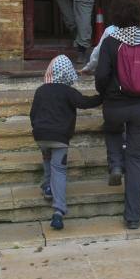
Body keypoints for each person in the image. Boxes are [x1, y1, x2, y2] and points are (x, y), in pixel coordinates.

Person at [95, 0, 140, 229]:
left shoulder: (110, 43)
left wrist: (104, 94)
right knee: (137, 160)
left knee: (112, 130)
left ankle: (115, 163)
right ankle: (133, 217)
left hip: (115, 105)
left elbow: (101, 76)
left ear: (115, 16)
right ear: (137, 16)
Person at [30, 55, 102, 230]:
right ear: (68, 73)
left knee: (47, 160)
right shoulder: (68, 92)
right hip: (60, 138)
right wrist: (103, 97)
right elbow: (85, 103)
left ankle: (48, 187)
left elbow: (33, 113)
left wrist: (38, 130)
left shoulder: (40, 90)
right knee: (59, 169)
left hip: (41, 135)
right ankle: (58, 211)